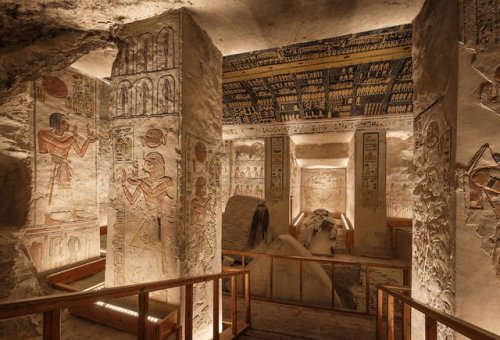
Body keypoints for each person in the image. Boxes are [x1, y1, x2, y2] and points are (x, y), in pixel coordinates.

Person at [38, 112, 97, 224]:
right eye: (64, 122)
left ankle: (74, 213)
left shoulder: (69, 138)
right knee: (54, 190)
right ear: (57, 123)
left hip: (65, 166)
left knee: (72, 189)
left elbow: (80, 152)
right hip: (54, 166)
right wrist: (74, 137)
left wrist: (88, 141)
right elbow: (62, 144)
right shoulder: (44, 134)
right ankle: (51, 215)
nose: (68, 124)